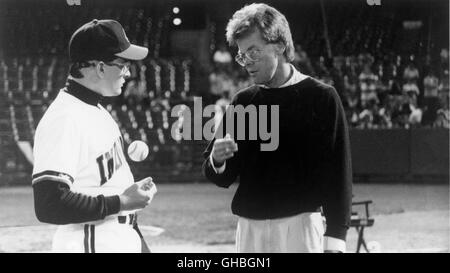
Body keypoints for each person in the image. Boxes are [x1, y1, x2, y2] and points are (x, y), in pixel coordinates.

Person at [203, 3, 352, 253]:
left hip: (301, 229)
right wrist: (217, 160)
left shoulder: (322, 97)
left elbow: (339, 175)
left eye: (254, 52)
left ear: (280, 46)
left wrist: (335, 240)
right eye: (242, 55)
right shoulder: (242, 101)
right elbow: (221, 177)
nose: (246, 63)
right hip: (250, 231)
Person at [32, 19, 156, 253]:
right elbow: (49, 204)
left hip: (119, 236)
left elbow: (103, 184)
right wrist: (122, 202)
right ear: (100, 68)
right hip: (92, 242)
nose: (128, 73)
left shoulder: (96, 110)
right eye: (123, 65)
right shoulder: (64, 118)